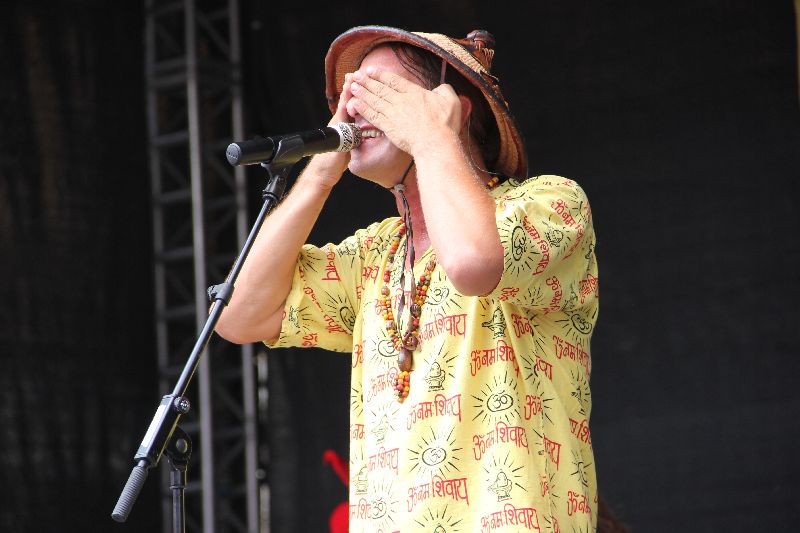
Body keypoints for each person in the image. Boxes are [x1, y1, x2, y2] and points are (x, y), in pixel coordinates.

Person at [216, 25, 600, 532]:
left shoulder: (551, 204)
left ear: (455, 108)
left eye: (380, 91)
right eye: (350, 94)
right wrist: (320, 175)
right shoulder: (374, 254)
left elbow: (473, 263)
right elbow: (238, 316)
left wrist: (432, 137)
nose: (355, 107)